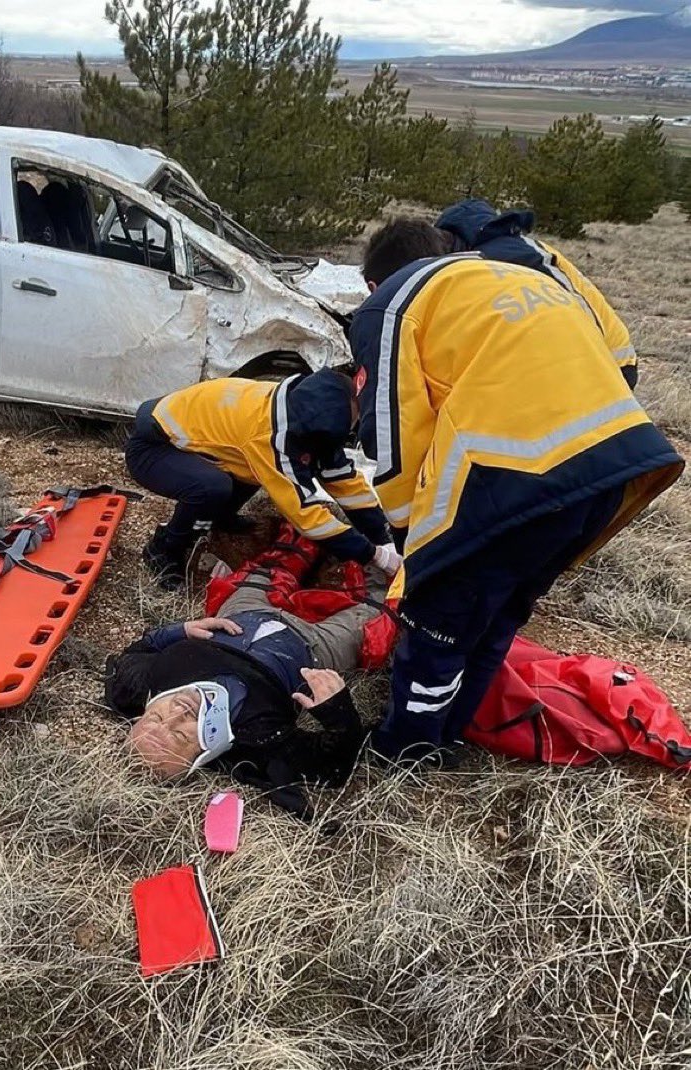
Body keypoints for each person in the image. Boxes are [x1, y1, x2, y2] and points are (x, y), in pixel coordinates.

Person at [347, 221, 684, 766]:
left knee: (437, 626)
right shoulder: (511, 276)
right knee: (497, 617)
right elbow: (618, 358)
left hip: (513, 475)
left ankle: (405, 753)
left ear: (372, 283)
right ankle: (452, 732)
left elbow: (391, 431)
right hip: (613, 469)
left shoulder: (390, 305)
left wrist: (416, 543)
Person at [104, 535, 385, 817]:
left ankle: (329, 527)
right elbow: (334, 767)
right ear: (205, 753)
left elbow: (136, 651)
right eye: (179, 734)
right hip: (312, 645)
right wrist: (337, 710)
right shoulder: (257, 739)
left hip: (241, 615)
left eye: (156, 718)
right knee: (379, 609)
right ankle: (378, 549)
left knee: (280, 558)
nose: (178, 712)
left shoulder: (139, 683)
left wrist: (180, 630)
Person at [124, 369, 401, 588]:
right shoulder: (271, 436)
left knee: (251, 470)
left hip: (196, 440)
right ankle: (164, 549)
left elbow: (342, 479)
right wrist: (373, 555)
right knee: (212, 487)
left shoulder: (301, 407)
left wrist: (381, 535)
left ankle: (220, 518)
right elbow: (307, 517)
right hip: (153, 448)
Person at [434, 199, 638, 389]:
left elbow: (571, 302)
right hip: (606, 355)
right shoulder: (529, 247)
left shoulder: (498, 258)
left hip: (606, 361)